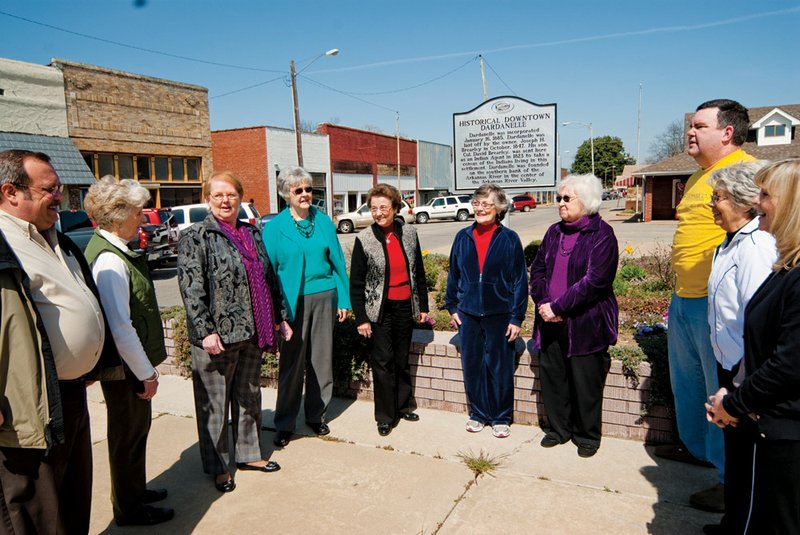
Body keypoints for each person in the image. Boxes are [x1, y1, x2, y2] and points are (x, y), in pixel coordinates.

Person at [0, 150, 123, 534]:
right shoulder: (5, 244)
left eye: (61, 187)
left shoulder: (55, 238)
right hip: (25, 407)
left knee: (73, 500)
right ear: (10, 192)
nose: (60, 196)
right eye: (49, 189)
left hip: (69, 394)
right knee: (36, 514)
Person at [659, 99, 754, 512]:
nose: (690, 133)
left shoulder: (745, 173)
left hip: (717, 306)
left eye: (700, 126)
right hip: (684, 299)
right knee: (690, 385)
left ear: (727, 132)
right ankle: (700, 451)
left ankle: (727, 478)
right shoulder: (701, 175)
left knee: (720, 388)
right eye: (690, 126)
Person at [706, 159, 800, 534]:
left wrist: (738, 398)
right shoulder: (738, 245)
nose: (759, 202)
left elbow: (778, 348)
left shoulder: (760, 247)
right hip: (740, 377)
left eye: (766, 194)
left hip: (763, 396)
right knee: (742, 467)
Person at [178, 170, 287, 493]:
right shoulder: (196, 236)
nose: (225, 200)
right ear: (207, 199)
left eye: (231, 195)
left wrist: (280, 317)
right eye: (218, 195)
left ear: (241, 198)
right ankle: (219, 466)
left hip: (254, 331)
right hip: (217, 338)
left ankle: (249, 453)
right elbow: (190, 288)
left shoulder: (252, 234)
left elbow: (269, 279)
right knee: (214, 403)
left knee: (249, 395)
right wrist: (205, 330)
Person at [83, 176, 174, 526]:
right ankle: (129, 509)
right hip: (125, 371)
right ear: (119, 216)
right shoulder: (109, 261)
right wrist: (146, 373)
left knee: (136, 433)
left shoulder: (116, 250)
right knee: (127, 437)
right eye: (138, 211)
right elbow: (121, 326)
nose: (143, 216)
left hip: (129, 369)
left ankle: (134, 491)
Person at [529, 174, 618, 457]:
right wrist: (544, 302)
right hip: (549, 319)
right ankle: (558, 429)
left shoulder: (602, 234)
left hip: (585, 323)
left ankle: (587, 436)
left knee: (585, 381)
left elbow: (595, 282)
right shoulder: (554, 232)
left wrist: (558, 307)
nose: (560, 204)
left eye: (567, 198)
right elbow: (538, 270)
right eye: (559, 198)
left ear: (587, 201)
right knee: (554, 377)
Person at [263, 166, 350, 448]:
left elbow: (337, 261)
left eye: (308, 189)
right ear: (286, 194)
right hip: (292, 303)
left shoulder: (323, 221)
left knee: (321, 361)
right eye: (297, 190)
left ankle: (316, 415)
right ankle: (284, 422)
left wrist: (345, 299)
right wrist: (276, 312)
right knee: (292, 362)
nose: (304, 194)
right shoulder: (275, 228)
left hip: (325, 296)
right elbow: (268, 272)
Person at [444, 183, 527, 439]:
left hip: (499, 314)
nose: (480, 208)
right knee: (473, 366)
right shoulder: (462, 237)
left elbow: (519, 281)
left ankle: (501, 416)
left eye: (486, 204)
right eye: (477, 203)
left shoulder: (509, 238)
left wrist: (516, 316)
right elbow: (454, 275)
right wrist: (452, 306)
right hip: (468, 314)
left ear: (499, 208)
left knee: (500, 368)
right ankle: (478, 413)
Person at [350, 184, 430, 436]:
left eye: (384, 207)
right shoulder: (364, 239)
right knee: (383, 362)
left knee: (401, 358)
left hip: (405, 306)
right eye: (374, 208)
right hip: (379, 312)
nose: (379, 213)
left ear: (395, 208)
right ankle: (385, 415)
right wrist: (361, 318)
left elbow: (418, 270)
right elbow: (357, 283)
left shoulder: (409, 233)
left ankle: (404, 405)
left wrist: (423, 306)